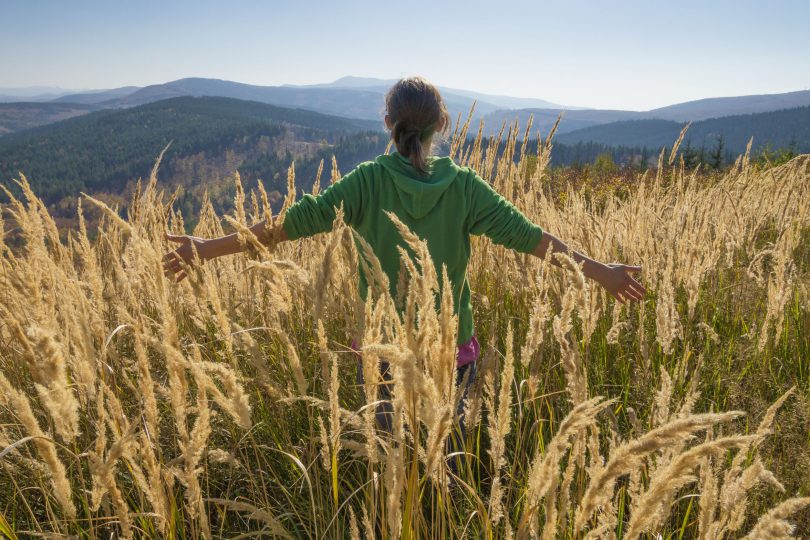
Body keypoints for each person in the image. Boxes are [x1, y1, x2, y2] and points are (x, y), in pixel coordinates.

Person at [162, 76, 645, 477]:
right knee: (445, 465)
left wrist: (206, 249)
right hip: (450, 354)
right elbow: (533, 238)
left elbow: (287, 226)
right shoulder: (464, 188)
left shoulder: (367, 182)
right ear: (441, 126)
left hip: (382, 355)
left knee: (389, 470)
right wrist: (601, 272)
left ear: (389, 124)